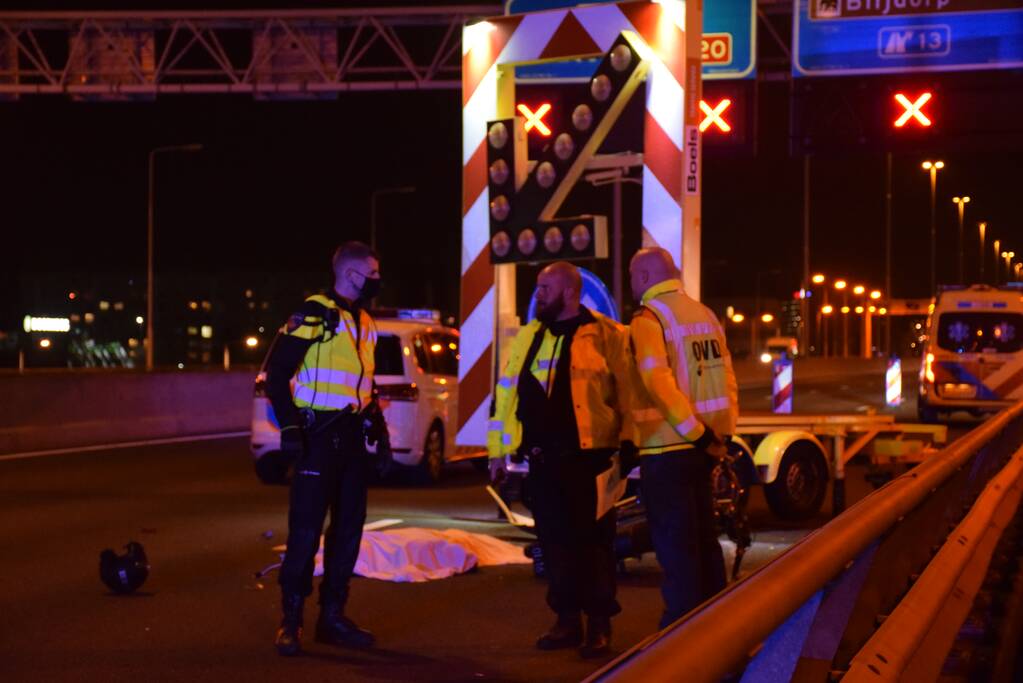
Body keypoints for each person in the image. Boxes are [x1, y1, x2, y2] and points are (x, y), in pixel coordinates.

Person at [487, 261, 632, 659]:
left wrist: (630, 444)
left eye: (545, 288)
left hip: (591, 459)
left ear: (569, 291)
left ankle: (599, 624)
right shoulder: (531, 335)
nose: (538, 295)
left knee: (595, 546)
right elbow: (507, 395)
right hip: (544, 460)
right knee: (555, 545)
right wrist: (498, 450)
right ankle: (567, 620)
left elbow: (629, 393)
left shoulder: (607, 335)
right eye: (537, 287)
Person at [264, 241, 382, 656]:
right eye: (372, 273)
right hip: (318, 438)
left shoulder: (365, 322)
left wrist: (377, 425)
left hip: (351, 439)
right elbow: (276, 374)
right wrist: (290, 427)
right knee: (305, 531)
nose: (377, 279)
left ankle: (332, 617)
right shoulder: (314, 314)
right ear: (350, 274)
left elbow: (362, 383)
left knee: (348, 531)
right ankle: (291, 620)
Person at [627, 247, 738, 629]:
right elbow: (727, 376)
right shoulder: (704, 314)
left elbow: (658, 384)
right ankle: (719, 627)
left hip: (667, 447)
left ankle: (680, 635)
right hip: (704, 448)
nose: (631, 283)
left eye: (632, 275)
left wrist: (696, 433)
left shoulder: (649, 319)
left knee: (677, 549)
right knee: (704, 542)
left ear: (644, 277)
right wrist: (719, 435)